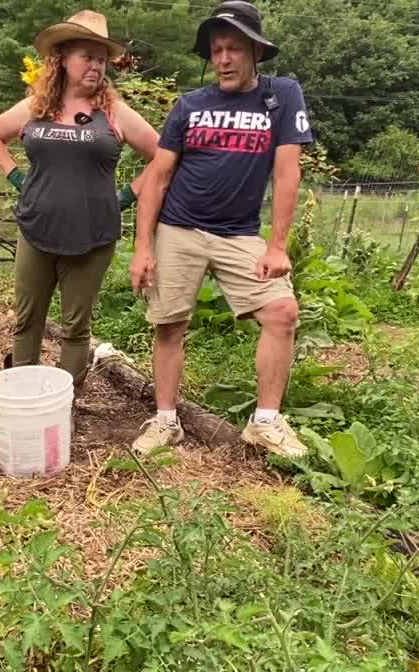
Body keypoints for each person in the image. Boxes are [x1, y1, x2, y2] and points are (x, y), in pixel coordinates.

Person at [129, 0, 311, 458]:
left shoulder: (282, 96)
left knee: (282, 312)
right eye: (216, 50)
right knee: (170, 324)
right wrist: (142, 247)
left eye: (232, 48)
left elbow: (288, 172)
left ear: (255, 51)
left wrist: (278, 246)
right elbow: (158, 178)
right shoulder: (191, 105)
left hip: (239, 233)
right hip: (178, 229)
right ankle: (167, 421)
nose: (223, 59)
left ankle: (266, 422)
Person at [0, 10, 160, 421]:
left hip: (93, 237)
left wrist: (128, 195)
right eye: (86, 56)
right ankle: (19, 405)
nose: (95, 65)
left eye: (100, 58)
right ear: (61, 59)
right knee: (27, 321)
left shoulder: (114, 113)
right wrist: (17, 176)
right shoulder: (37, 106)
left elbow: (164, 155)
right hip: (36, 229)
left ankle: (60, 408)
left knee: (75, 328)